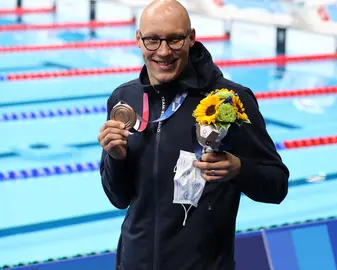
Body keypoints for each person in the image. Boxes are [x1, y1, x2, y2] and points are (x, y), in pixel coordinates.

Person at [97, 0, 289, 269]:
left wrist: (240, 170)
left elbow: (277, 185)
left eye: (174, 40)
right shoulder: (124, 99)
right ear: (138, 40)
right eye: (152, 40)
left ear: (191, 39)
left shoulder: (227, 101)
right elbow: (118, 198)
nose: (163, 52)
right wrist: (116, 158)